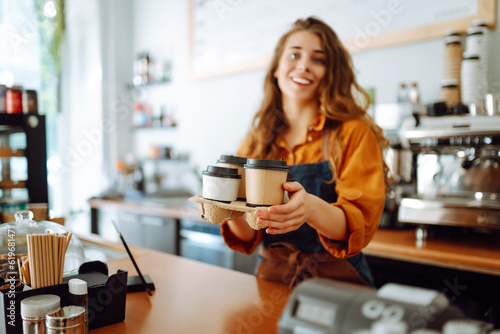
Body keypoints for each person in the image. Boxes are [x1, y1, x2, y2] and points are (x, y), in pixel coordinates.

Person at [220, 17, 390, 289]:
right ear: (276, 67)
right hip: (272, 280)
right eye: (294, 55)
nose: (303, 66)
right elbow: (248, 232)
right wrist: (224, 205)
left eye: (318, 59)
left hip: (336, 283)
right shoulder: (257, 142)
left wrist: (309, 208)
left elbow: (356, 226)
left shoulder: (353, 132)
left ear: (330, 72)